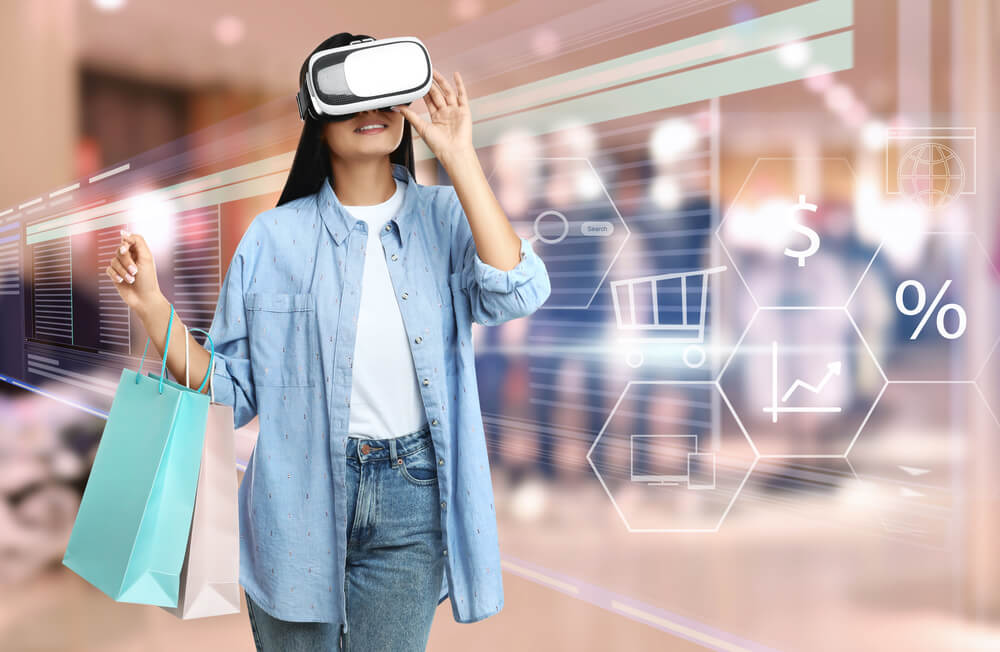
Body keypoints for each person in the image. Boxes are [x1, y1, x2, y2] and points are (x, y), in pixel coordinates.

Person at [104, 32, 551, 652]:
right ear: (317, 118)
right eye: (353, 98)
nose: (374, 112)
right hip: (293, 497)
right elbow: (234, 394)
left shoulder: (445, 218)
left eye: (388, 96)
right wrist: (154, 310)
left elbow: (517, 291)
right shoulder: (271, 239)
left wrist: (460, 156)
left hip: (410, 495)